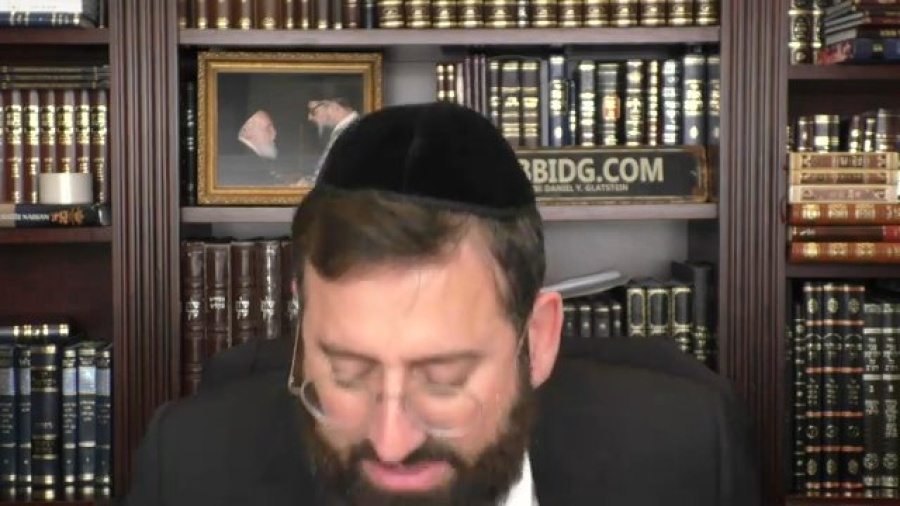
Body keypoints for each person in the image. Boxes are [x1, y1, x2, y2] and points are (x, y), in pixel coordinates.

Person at [124, 102, 762, 506]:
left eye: (445, 378)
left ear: (537, 341)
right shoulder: (187, 471)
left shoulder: (685, 457)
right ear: (303, 325)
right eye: (346, 373)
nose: (391, 443)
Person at [303, 96, 359, 183]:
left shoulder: (354, 129)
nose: (309, 117)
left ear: (335, 107)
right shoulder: (343, 129)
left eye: (313, 111)